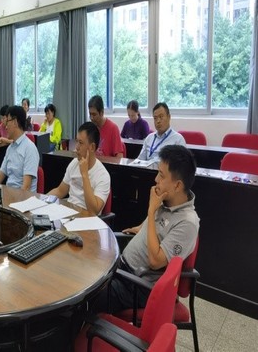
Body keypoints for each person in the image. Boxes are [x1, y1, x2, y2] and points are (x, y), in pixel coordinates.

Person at [99, 145, 199, 313]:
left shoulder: (187, 223)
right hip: (123, 269)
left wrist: (151, 211)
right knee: (86, 276)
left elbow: (155, 261)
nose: (156, 179)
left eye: (161, 175)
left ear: (177, 185)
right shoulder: (166, 202)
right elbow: (153, 229)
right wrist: (139, 229)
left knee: (88, 297)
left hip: (138, 286)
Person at [47, 122, 110, 215]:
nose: (76, 147)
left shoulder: (103, 175)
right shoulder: (74, 163)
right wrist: (42, 201)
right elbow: (60, 191)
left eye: (80, 143)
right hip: (69, 214)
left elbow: (93, 211)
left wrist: (84, 174)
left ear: (92, 147)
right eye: (77, 141)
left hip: (87, 219)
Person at [0, 105, 39, 192]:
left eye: (7, 121)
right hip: (10, 194)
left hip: (24, 198)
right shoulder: (10, 148)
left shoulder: (30, 148)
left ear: (15, 122)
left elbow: (26, 188)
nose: (5, 127)